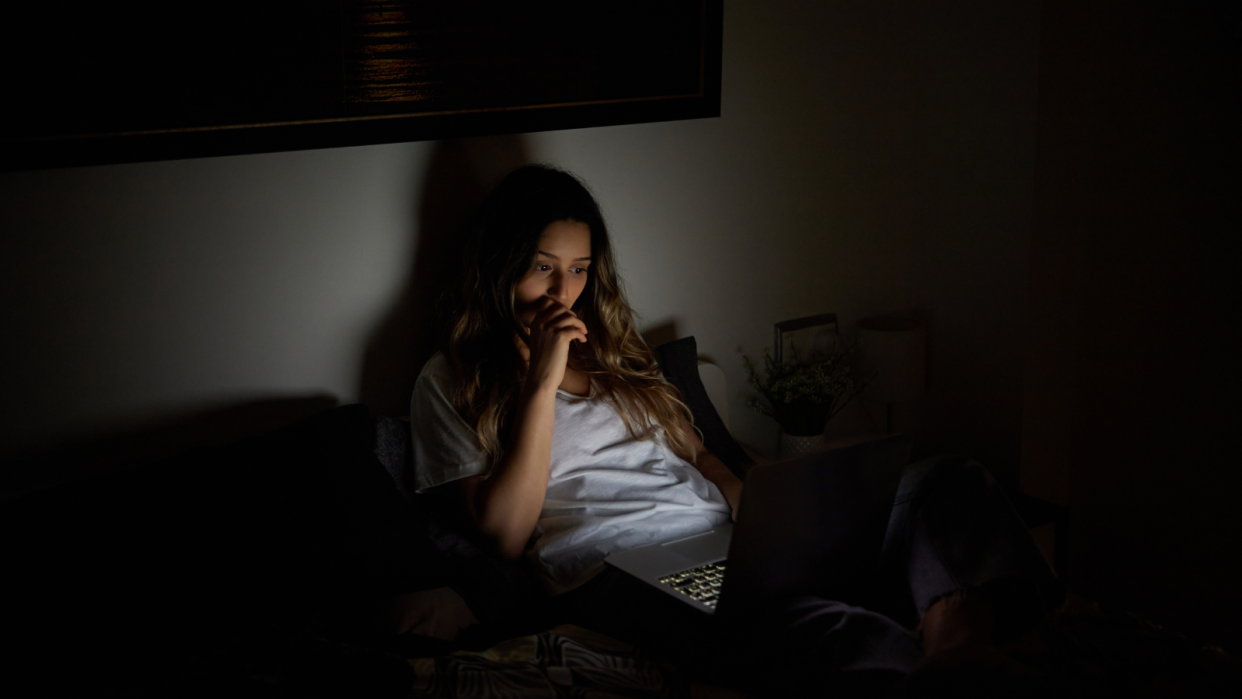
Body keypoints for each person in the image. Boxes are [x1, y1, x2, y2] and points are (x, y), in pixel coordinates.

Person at [409, 164, 1062, 696]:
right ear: (498, 265)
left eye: (578, 268)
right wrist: (539, 382)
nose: (564, 291)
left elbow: (705, 458)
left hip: (724, 541)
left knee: (945, 483)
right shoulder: (453, 377)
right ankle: (941, 669)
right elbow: (505, 533)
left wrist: (767, 518)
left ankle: (958, 654)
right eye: (543, 265)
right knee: (822, 627)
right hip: (613, 569)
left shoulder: (614, 350)